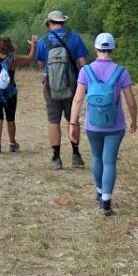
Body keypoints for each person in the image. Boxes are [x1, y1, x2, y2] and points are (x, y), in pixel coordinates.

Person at [68, 31, 136, 217]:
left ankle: (99, 192)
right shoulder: (121, 71)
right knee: (109, 161)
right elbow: (130, 101)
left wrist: (72, 124)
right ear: (112, 49)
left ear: (96, 49)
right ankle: (106, 199)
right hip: (115, 125)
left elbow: (77, 100)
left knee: (97, 158)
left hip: (92, 125)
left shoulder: (86, 71)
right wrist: (134, 120)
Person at [30, 10, 90, 172]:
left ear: (49, 23)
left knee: (53, 120)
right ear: (63, 22)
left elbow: (42, 65)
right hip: (72, 85)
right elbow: (83, 63)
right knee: (73, 120)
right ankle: (76, 155)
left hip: (51, 86)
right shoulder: (75, 37)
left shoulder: (43, 41)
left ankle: (56, 158)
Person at [0, 37, 22, 154]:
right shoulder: (13, 59)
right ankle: (12, 143)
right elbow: (30, 58)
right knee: (10, 119)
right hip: (10, 92)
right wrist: (34, 46)